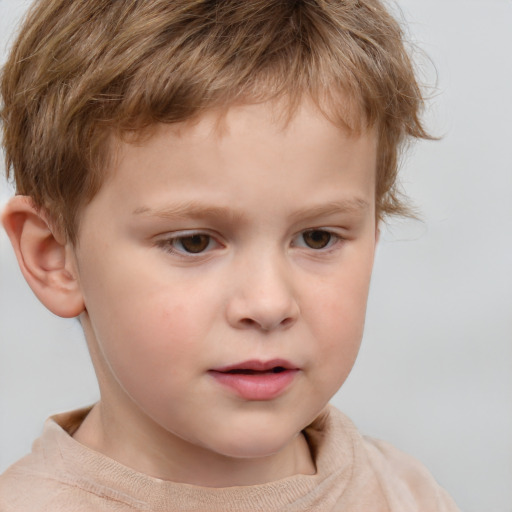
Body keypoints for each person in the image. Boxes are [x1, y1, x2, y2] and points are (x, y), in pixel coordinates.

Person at [0, 0, 460, 510]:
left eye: (317, 238)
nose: (267, 304)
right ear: (55, 257)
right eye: (193, 242)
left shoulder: (410, 495)